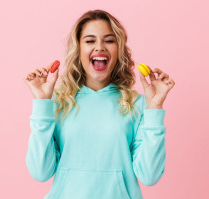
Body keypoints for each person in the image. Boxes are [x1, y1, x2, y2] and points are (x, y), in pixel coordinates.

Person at [23, 9, 175, 199]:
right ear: (78, 49)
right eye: (90, 40)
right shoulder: (58, 104)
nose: (100, 47)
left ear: (119, 50)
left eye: (109, 40)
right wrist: (42, 103)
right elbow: (40, 172)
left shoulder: (136, 104)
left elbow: (150, 176)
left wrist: (155, 109)